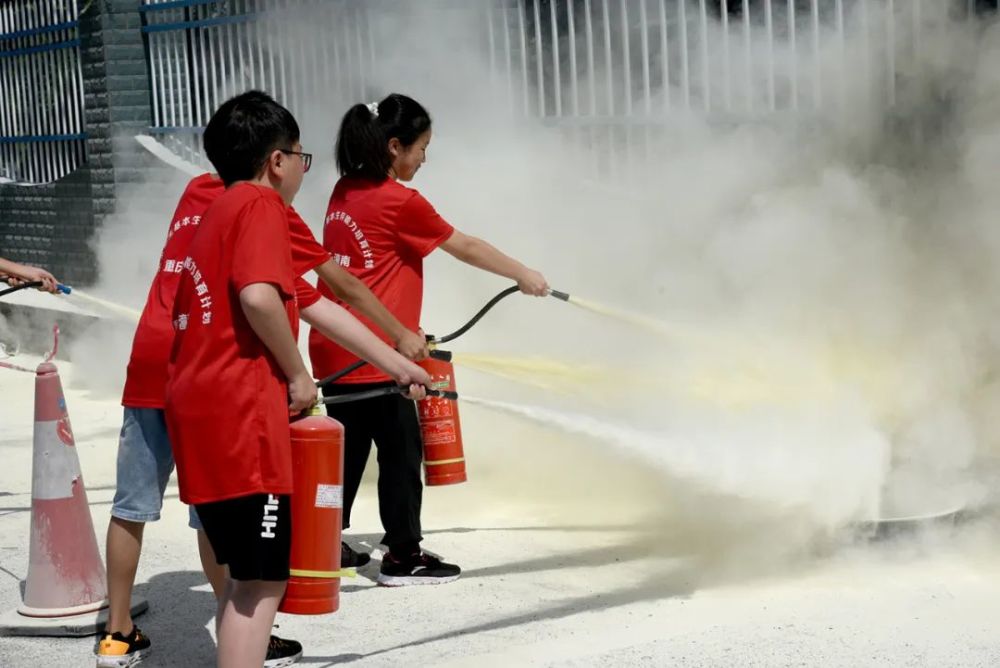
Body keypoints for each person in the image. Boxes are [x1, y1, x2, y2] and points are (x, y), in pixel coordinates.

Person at [99, 90, 427, 668]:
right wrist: (300, 375)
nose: (304, 170)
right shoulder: (262, 208)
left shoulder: (217, 208)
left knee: (242, 581)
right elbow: (259, 297)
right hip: (243, 419)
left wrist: (398, 363)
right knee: (259, 585)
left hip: (197, 408)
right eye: (302, 158)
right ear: (277, 160)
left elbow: (311, 301)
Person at [311, 93, 550, 586]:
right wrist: (522, 273)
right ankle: (402, 553)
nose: (424, 158)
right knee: (400, 449)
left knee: (346, 450)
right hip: (377, 352)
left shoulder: (345, 189)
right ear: (394, 146)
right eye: (421, 148)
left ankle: (322, 540)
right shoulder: (399, 200)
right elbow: (463, 246)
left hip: (334, 344)